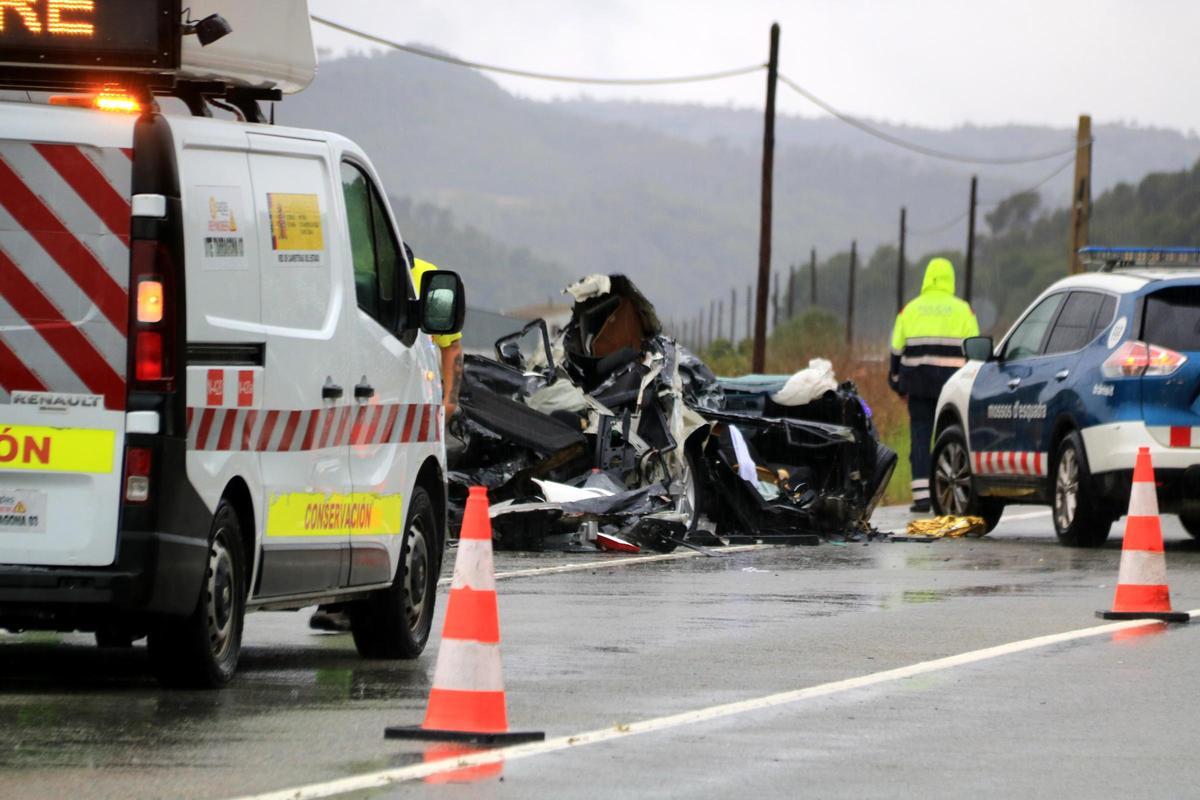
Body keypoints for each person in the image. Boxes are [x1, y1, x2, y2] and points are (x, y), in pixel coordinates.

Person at [309, 245, 464, 633]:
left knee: (390, 497)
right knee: (359, 493)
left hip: (410, 404)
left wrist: (449, 402)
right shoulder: (354, 273)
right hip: (370, 404)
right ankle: (342, 596)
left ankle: (357, 595)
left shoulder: (426, 279)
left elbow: (451, 346)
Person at [889, 257, 979, 513]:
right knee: (950, 436)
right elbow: (975, 352)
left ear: (927, 278)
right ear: (950, 280)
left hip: (917, 385)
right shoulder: (964, 310)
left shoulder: (910, 310)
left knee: (920, 437)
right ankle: (949, 491)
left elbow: (896, 351)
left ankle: (921, 497)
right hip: (953, 386)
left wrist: (897, 384)